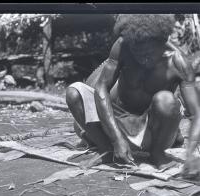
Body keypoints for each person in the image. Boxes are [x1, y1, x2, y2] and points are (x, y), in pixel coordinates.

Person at [66, 14, 200, 179]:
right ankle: (107, 150)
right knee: (74, 92)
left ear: (162, 42)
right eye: (137, 52)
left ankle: (158, 154)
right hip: (117, 123)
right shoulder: (123, 46)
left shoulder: (178, 62)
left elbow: (196, 113)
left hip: (150, 132)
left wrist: (190, 155)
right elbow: (101, 87)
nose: (142, 58)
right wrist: (116, 139)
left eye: (149, 53)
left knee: (166, 100)